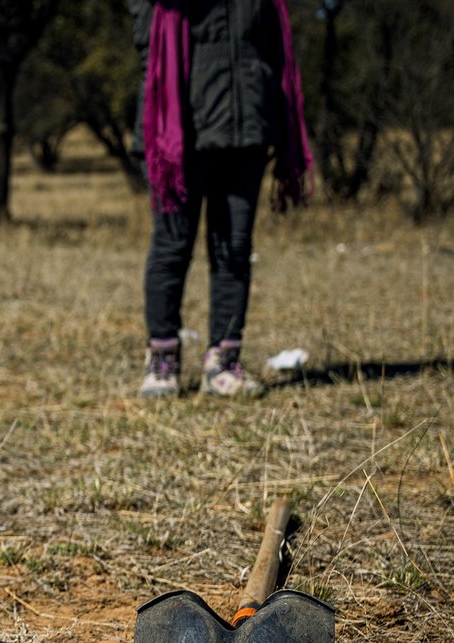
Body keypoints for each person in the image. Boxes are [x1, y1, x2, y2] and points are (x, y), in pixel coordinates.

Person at [131, 0, 313, 399]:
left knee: (233, 248)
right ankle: (162, 359)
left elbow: (271, 45)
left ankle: (224, 361)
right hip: (178, 128)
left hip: (245, 123)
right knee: (172, 246)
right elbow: (146, 33)